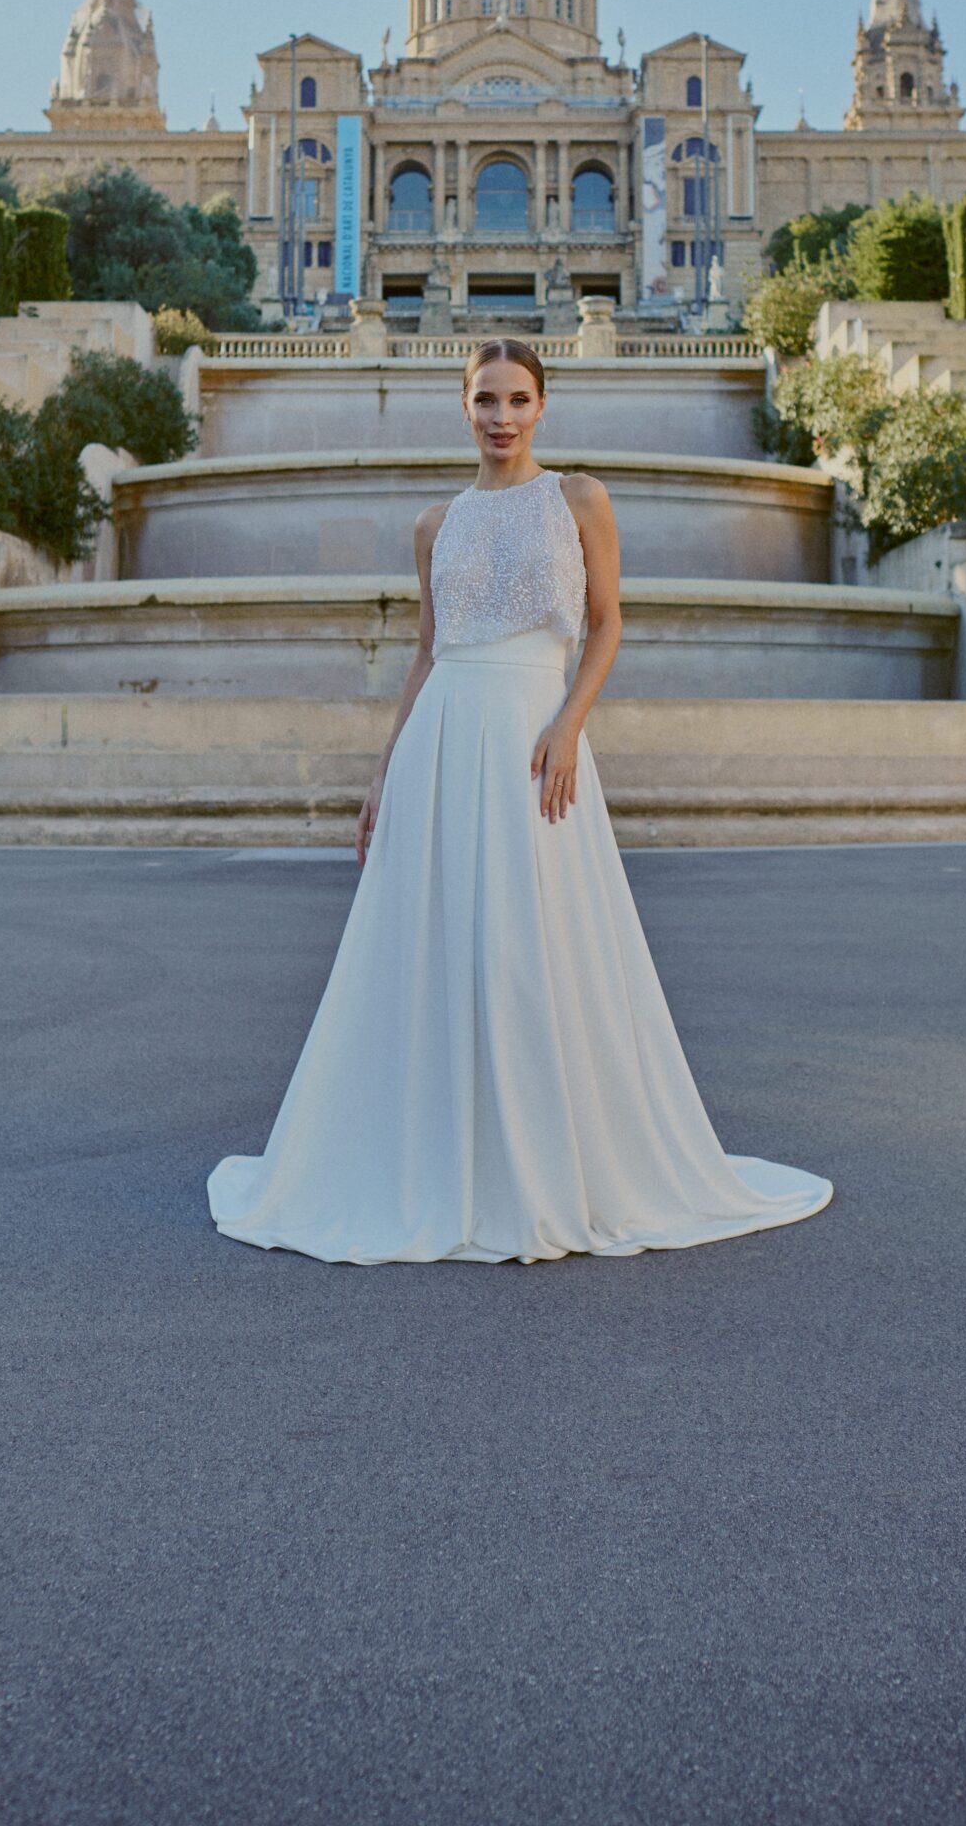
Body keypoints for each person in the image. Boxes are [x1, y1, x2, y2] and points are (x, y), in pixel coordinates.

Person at [207, 338, 832, 1264]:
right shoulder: (435, 522)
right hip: (441, 743)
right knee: (434, 946)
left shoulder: (578, 498)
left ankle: (541, 1165)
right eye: (485, 399)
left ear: (543, 405)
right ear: (462, 407)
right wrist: (384, 772)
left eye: (518, 399)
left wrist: (570, 724)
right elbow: (426, 653)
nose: (501, 416)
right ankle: (435, 1160)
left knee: (532, 946)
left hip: (535, 739)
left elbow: (610, 622)